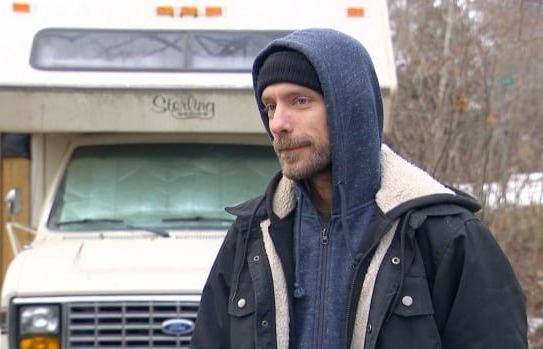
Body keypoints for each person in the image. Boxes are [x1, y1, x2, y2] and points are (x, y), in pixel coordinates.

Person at [190, 28, 527, 349]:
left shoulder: (444, 236)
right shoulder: (252, 235)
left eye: (300, 101)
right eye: (271, 105)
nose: (278, 123)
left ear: (348, 108)